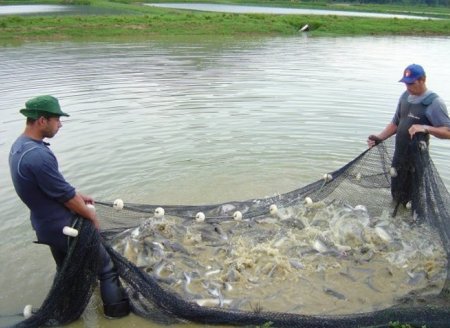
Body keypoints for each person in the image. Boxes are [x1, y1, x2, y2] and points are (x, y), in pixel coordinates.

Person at [9, 95, 130, 318]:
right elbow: (64, 195)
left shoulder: (20, 146)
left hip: (47, 225)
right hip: (66, 227)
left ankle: (64, 310)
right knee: (106, 268)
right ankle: (117, 315)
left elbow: (52, 188)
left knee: (66, 270)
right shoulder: (37, 156)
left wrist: (78, 196)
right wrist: (90, 217)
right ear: (42, 120)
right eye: (57, 119)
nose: (60, 124)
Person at [367, 64, 450, 207]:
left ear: (423, 80)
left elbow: (448, 132)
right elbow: (395, 123)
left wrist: (425, 128)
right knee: (396, 197)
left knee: (411, 202)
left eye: (411, 83)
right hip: (399, 158)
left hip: (416, 161)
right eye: (406, 83)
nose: (408, 87)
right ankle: (398, 224)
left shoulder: (434, 103)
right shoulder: (405, 97)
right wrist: (380, 137)